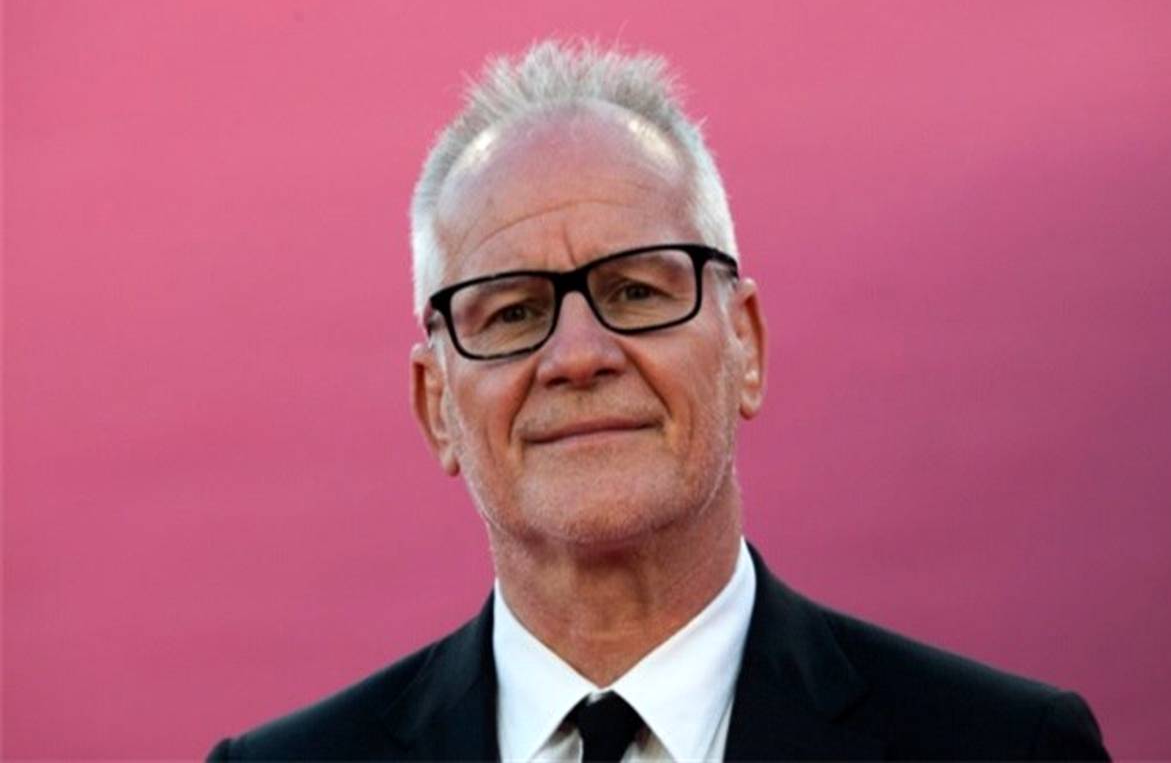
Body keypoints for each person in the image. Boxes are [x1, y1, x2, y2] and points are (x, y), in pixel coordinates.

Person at [208, 39, 1109, 761]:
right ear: (436, 403)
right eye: (514, 312)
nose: (578, 356)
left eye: (637, 291)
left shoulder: (1008, 747)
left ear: (745, 345)